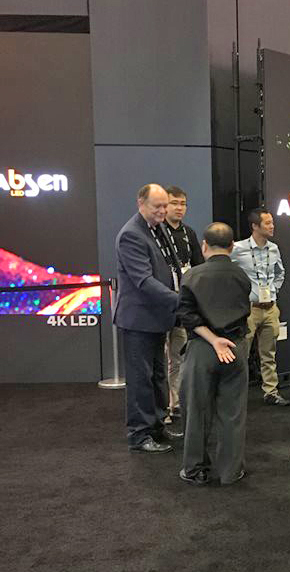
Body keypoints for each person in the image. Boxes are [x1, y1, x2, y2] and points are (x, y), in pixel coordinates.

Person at [177, 223, 252, 486]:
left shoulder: (192, 276)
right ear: (232, 246)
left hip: (203, 349)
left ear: (204, 246)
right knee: (233, 413)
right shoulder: (241, 275)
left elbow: (186, 315)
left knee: (196, 411)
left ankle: (195, 469)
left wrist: (212, 339)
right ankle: (231, 471)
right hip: (235, 348)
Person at [115, 184, 181, 454]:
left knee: (157, 376)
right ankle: (139, 434)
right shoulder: (131, 235)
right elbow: (143, 281)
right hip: (138, 321)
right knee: (141, 379)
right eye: (158, 206)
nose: (163, 211)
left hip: (156, 318)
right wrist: (180, 300)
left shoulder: (157, 228)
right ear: (140, 203)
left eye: (165, 205)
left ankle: (156, 426)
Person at [231, 208, 290, 406]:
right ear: (255, 226)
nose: (272, 226)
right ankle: (236, 395)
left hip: (270, 307)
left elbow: (280, 273)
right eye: (267, 223)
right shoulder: (238, 249)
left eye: (272, 222)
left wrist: (273, 291)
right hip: (249, 309)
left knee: (269, 354)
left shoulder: (274, 248)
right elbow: (224, 268)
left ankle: (271, 391)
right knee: (242, 353)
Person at [163, 185, 204, 421]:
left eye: (183, 204)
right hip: (161, 304)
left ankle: (176, 403)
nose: (179, 208)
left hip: (183, 303)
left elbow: (199, 266)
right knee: (160, 359)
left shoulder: (189, 233)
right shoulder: (156, 233)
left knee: (178, 355)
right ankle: (161, 406)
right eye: (174, 203)